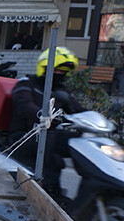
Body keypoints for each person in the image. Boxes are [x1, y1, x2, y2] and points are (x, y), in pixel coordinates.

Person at [10, 47, 85, 200]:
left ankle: (90, 194)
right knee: (49, 137)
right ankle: (51, 190)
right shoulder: (26, 84)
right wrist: (43, 116)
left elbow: (77, 109)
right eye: (56, 70)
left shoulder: (61, 90)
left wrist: (101, 122)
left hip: (47, 133)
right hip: (23, 136)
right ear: (44, 68)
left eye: (63, 72)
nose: (60, 74)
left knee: (80, 142)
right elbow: (25, 106)